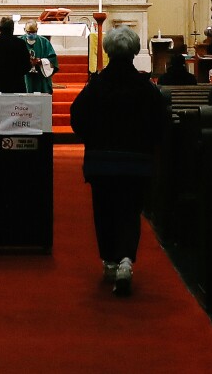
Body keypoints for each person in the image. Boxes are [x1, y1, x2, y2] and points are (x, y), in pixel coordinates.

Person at [69, 25, 166, 297]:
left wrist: (91, 138)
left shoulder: (97, 85)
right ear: (135, 51)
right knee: (130, 210)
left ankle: (110, 260)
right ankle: (125, 258)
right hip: (136, 161)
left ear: (108, 50)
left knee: (104, 209)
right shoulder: (145, 88)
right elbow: (160, 123)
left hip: (101, 160)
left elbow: (77, 117)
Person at [0, 15, 31, 93]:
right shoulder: (20, 43)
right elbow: (27, 64)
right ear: (13, 29)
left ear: (0, 29)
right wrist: (17, 74)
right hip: (16, 84)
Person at [23, 20, 56, 93]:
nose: (31, 34)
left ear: (37, 30)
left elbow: (52, 59)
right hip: (24, 76)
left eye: (33, 32)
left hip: (40, 76)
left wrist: (41, 61)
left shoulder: (44, 42)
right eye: (29, 32)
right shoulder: (20, 41)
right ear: (24, 30)